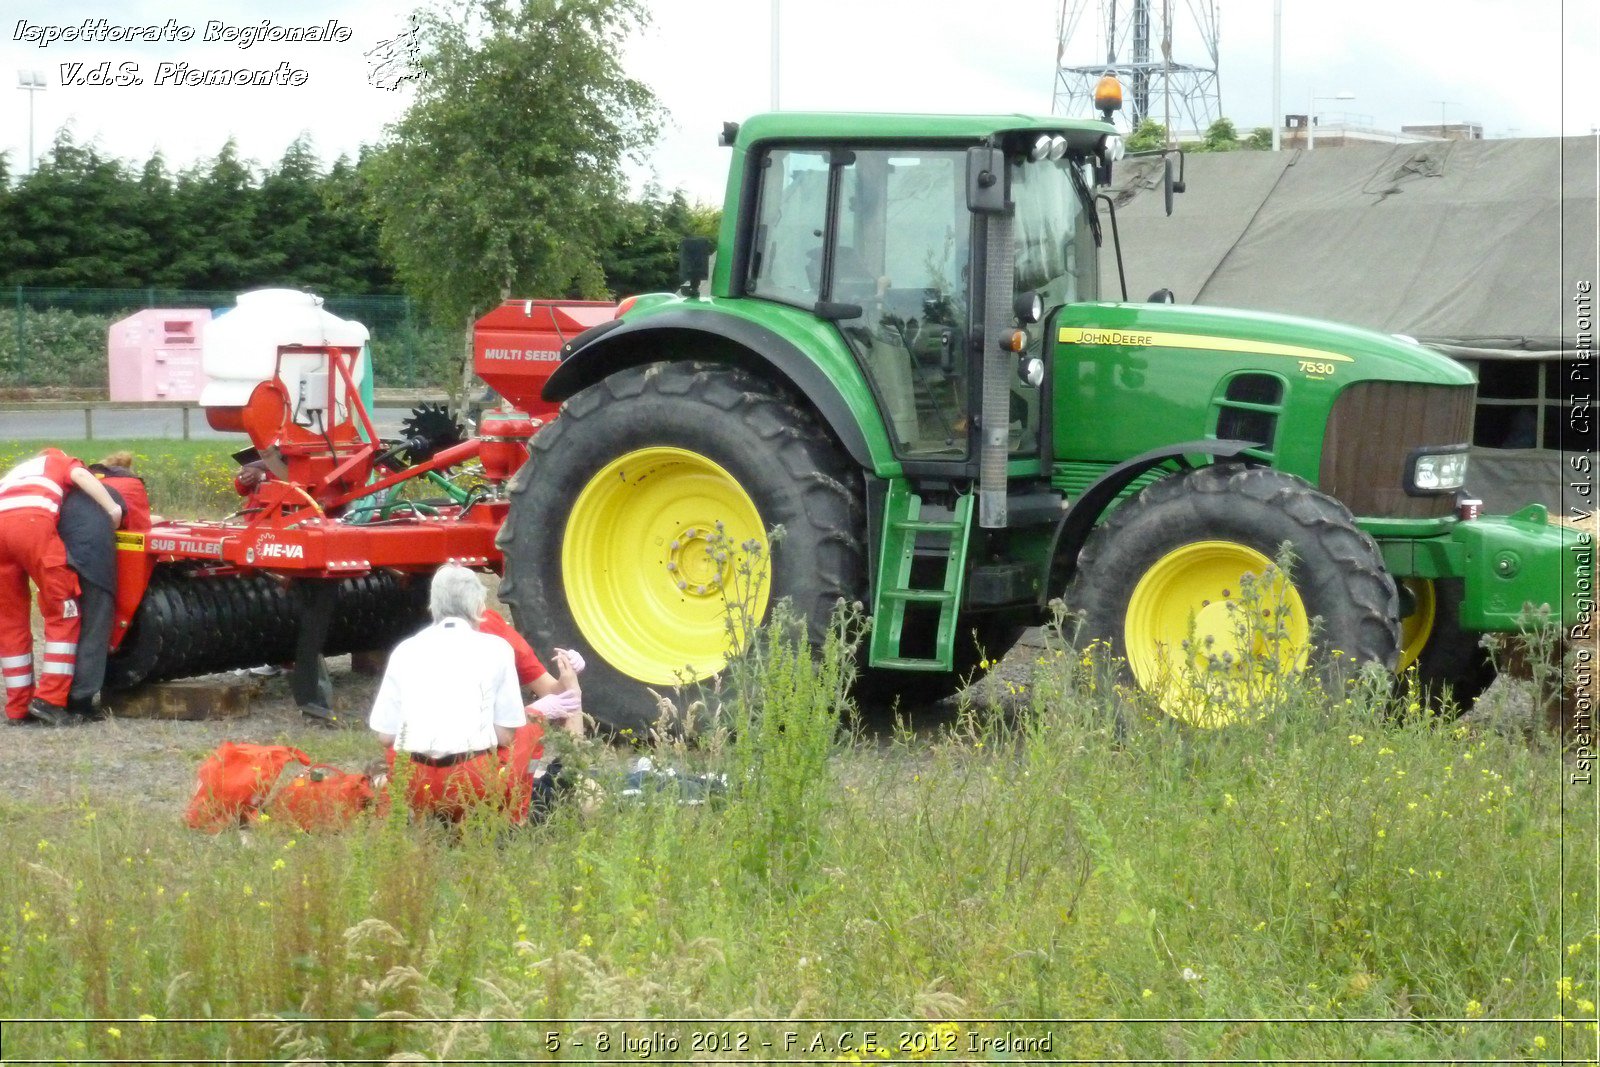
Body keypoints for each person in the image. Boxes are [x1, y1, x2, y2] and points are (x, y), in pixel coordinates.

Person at [368, 564, 580, 823]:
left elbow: (385, 736)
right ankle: (513, 818)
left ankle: (428, 818)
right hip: (472, 782)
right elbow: (505, 735)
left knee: (398, 751)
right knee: (530, 727)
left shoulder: (405, 650)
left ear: (433, 605)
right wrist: (536, 712)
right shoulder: (497, 648)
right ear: (479, 605)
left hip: (415, 782)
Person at [0, 447, 122, 725]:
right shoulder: (58, 461)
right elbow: (81, 475)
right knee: (63, 609)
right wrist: (112, 509)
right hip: (31, 526)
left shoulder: (15, 474)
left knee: (9, 622)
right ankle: (50, 700)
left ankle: (17, 708)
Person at [61, 452, 152, 721]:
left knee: (65, 625)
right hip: (93, 558)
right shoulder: (131, 486)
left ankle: (53, 696)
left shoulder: (81, 483)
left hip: (58, 554)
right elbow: (138, 529)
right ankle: (82, 701)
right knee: (97, 624)